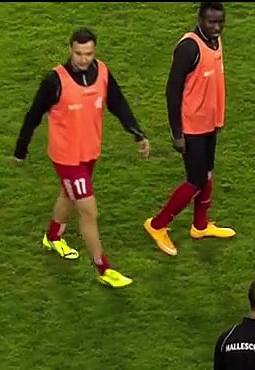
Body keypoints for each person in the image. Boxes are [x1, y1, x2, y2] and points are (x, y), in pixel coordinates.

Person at [14, 27, 151, 288]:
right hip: (66, 157)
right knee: (88, 211)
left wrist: (137, 134)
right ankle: (103, 268)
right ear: (70, 50)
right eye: (78, 53)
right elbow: (33, 115)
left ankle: (53, 237)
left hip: (89, 152)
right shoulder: (54, 80)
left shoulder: (102, 73)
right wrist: (21, 149)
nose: (83, 59)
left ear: (94, 51)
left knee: (68, 195)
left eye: (88, 53)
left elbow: (119, 104)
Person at [144, 2, 235, 256]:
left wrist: (217, 120)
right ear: (200, 19)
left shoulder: (215, 41)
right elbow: (172, 91)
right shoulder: (189, 47)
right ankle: (157, 224)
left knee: (206, 174)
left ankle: (200, 226)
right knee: (195, 180)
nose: (216, 27)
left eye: (220, 22)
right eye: (211, 22)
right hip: (191, 126)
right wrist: (177, 132)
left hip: (209, 124)